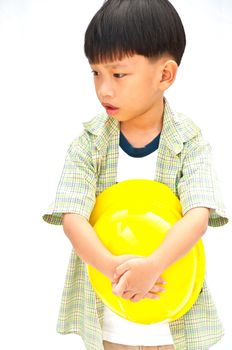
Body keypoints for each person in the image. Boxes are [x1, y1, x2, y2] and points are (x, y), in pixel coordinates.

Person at [42, 0, 229, 349]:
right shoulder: (89, 144)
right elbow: (72, 217)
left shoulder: (188, 142)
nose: (104, 89)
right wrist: (113, 267)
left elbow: (199, 215)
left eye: (118, 74)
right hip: (111, 319)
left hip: (172, 317)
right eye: (95, 73)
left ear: (165, 75)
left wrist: (153, 266)